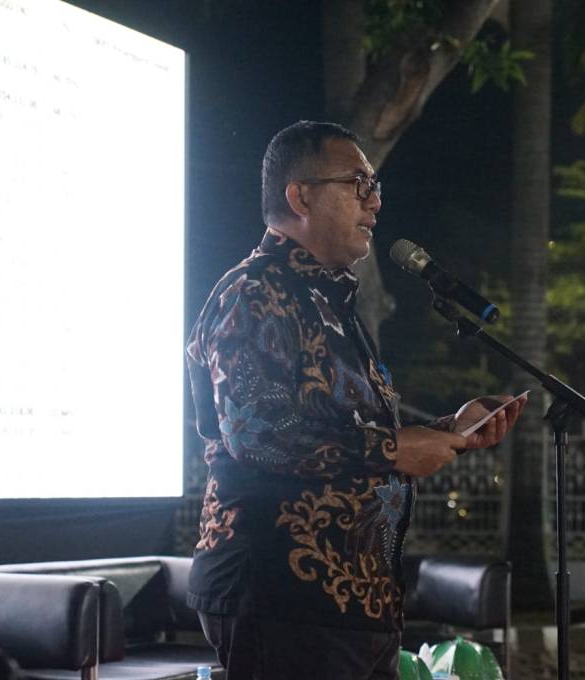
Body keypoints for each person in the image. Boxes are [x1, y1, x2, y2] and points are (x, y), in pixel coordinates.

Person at [186, 120, 525, 680]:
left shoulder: (329, 302)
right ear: (301, 197)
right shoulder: (255, 292)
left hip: (354, 601)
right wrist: (395, 448)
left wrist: (450, 429)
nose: (375, 202)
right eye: (358, 184)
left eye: (376, 186)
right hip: (279, 592)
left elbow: (350, 430)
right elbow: (257, 433)